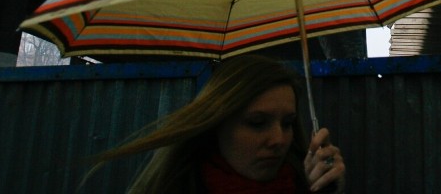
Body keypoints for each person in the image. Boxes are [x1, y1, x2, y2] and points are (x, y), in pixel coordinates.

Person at [89, 54, 346, 193]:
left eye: (288, 123)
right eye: (257, 123)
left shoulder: (302, 183)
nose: (278, 139)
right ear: (217, 123)